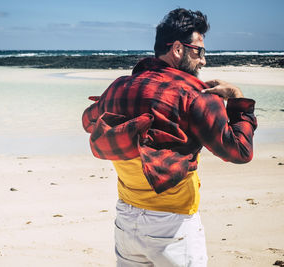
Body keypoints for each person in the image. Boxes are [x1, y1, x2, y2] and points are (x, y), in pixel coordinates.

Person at [82, 8, 257, 267]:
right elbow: (240, 152)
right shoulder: (195, 95)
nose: (203, 61)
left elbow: (88, 121)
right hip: (172, 227)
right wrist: (236, 98)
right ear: (177, 49)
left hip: (125, 220)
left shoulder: (118, 86)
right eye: (199, 51)